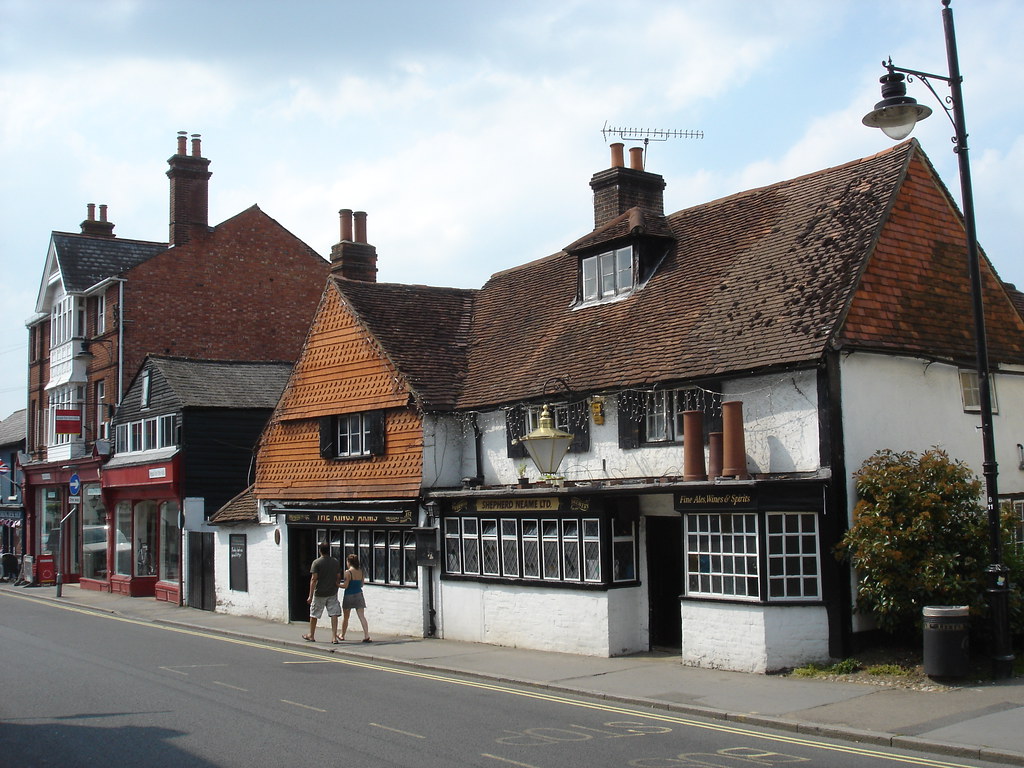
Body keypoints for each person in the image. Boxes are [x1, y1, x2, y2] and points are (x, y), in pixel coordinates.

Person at [303, 542, 342, 643]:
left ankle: (311, 635)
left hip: (319, 593)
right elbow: (338, 576)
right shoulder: (335, 562)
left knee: (314, 614)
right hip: (332, 592)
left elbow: (313, 579)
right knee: (334, 614)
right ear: (329, 550)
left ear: (320, 550)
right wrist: (336, 586)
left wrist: (310, 596)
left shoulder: (316, 563)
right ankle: (334, 637)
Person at [338, 553, 371, 642]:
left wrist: (337, 585)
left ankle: (342, 635)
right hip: (359, 594)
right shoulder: (361, 571)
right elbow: (362, 584)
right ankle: (366, 635)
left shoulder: (347, 572)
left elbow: (345, 585)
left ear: (349, 562)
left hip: (349, 595)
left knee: (346, 617)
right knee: (361, 616)